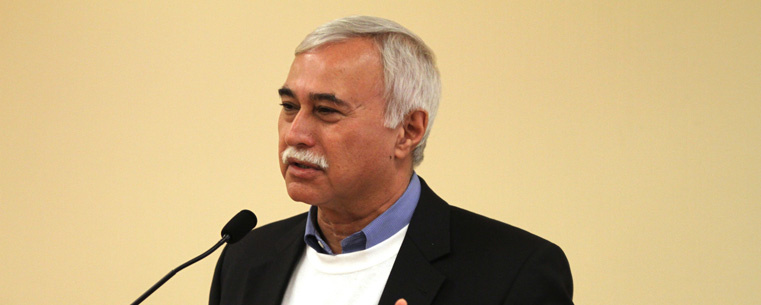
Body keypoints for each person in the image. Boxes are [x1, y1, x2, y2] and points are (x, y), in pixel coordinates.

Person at [209, 16, 573, 305]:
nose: (294, 133)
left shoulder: (512, 271)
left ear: (408, 131)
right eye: (290, 107)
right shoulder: (245, 259)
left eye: (326, 110)